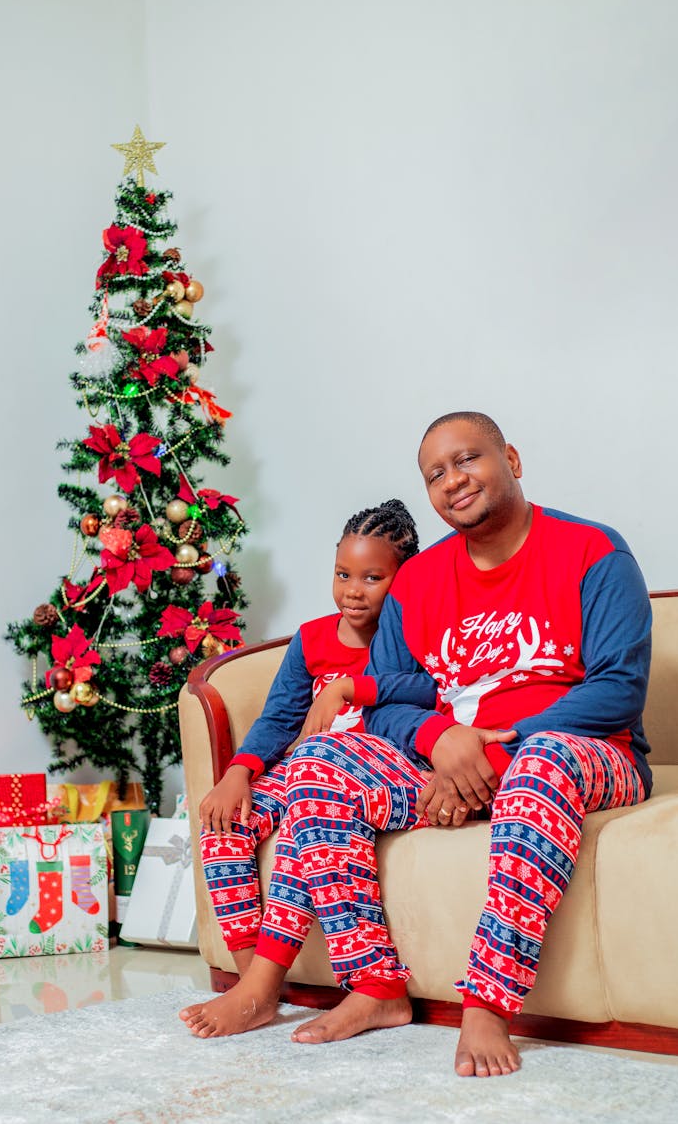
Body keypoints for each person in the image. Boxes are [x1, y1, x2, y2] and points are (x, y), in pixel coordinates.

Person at [260, 411, 651, 1074]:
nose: (453, 480)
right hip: (451, 762)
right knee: (320, 760)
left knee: (540, 763)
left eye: (467, 459)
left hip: (587, 752)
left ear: (513, 460)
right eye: (435, 474)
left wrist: (495, 751)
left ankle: (488, 1005)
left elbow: (619, 688)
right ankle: (374, 986)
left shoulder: (594, 552)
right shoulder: (417, 581)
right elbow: (386, 701)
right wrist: (441, 739)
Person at [179, 498, 420, 1036]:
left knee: (306, 804)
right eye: (342, 574)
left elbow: (434, 692)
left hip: (383, 776)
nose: (352, 590)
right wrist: (239, 772)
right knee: (226, 817)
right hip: (303, 770)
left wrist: (355, 688)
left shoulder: (412, 635)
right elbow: (278, 718)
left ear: (403, 579)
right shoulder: (311, 640)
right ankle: (254, 987)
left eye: (372, 577)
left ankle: (264, 991)